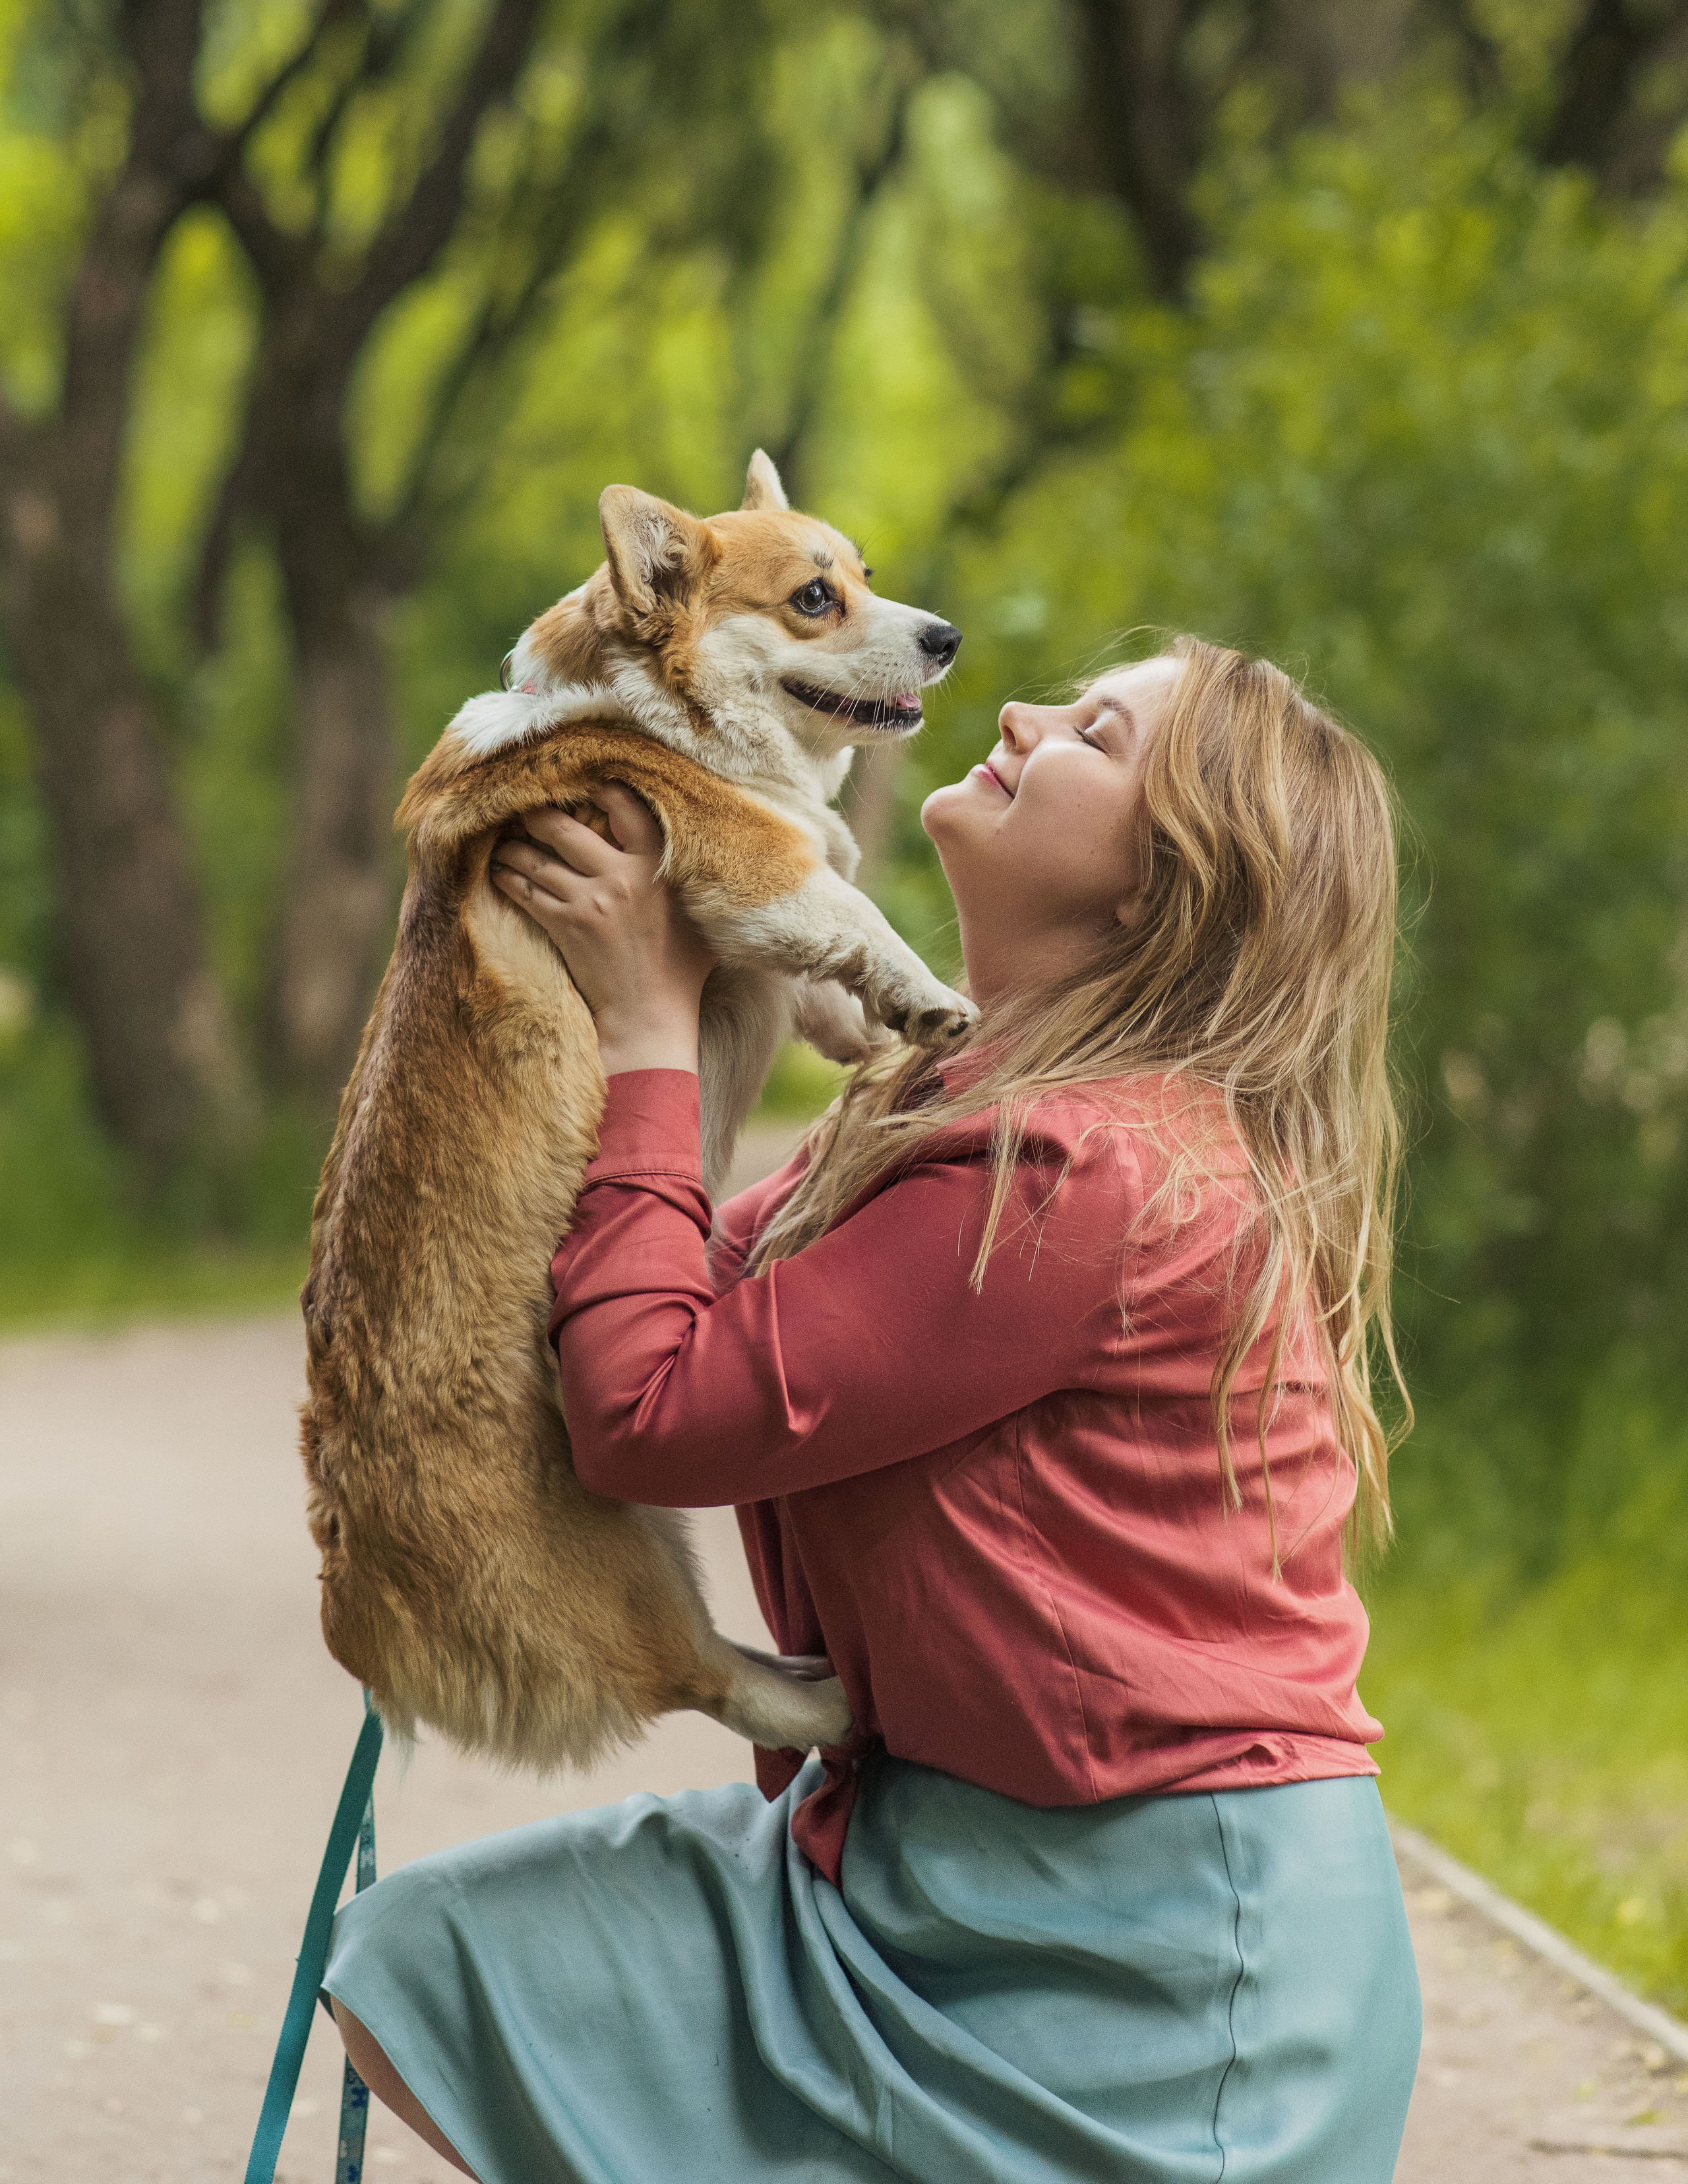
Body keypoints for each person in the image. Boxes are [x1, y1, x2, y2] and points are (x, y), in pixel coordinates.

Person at [324, 636, 1423, 2182]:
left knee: (441, 1969)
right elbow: (649, 1291)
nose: (1026, 713)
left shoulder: (1086, 1179)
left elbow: (652, 1403)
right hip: (912, 1866)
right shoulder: (941, 1098)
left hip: (1148, 1961)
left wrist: (647, 1026)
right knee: (431, 1963)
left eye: (1092, 734)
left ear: (1152, 885)